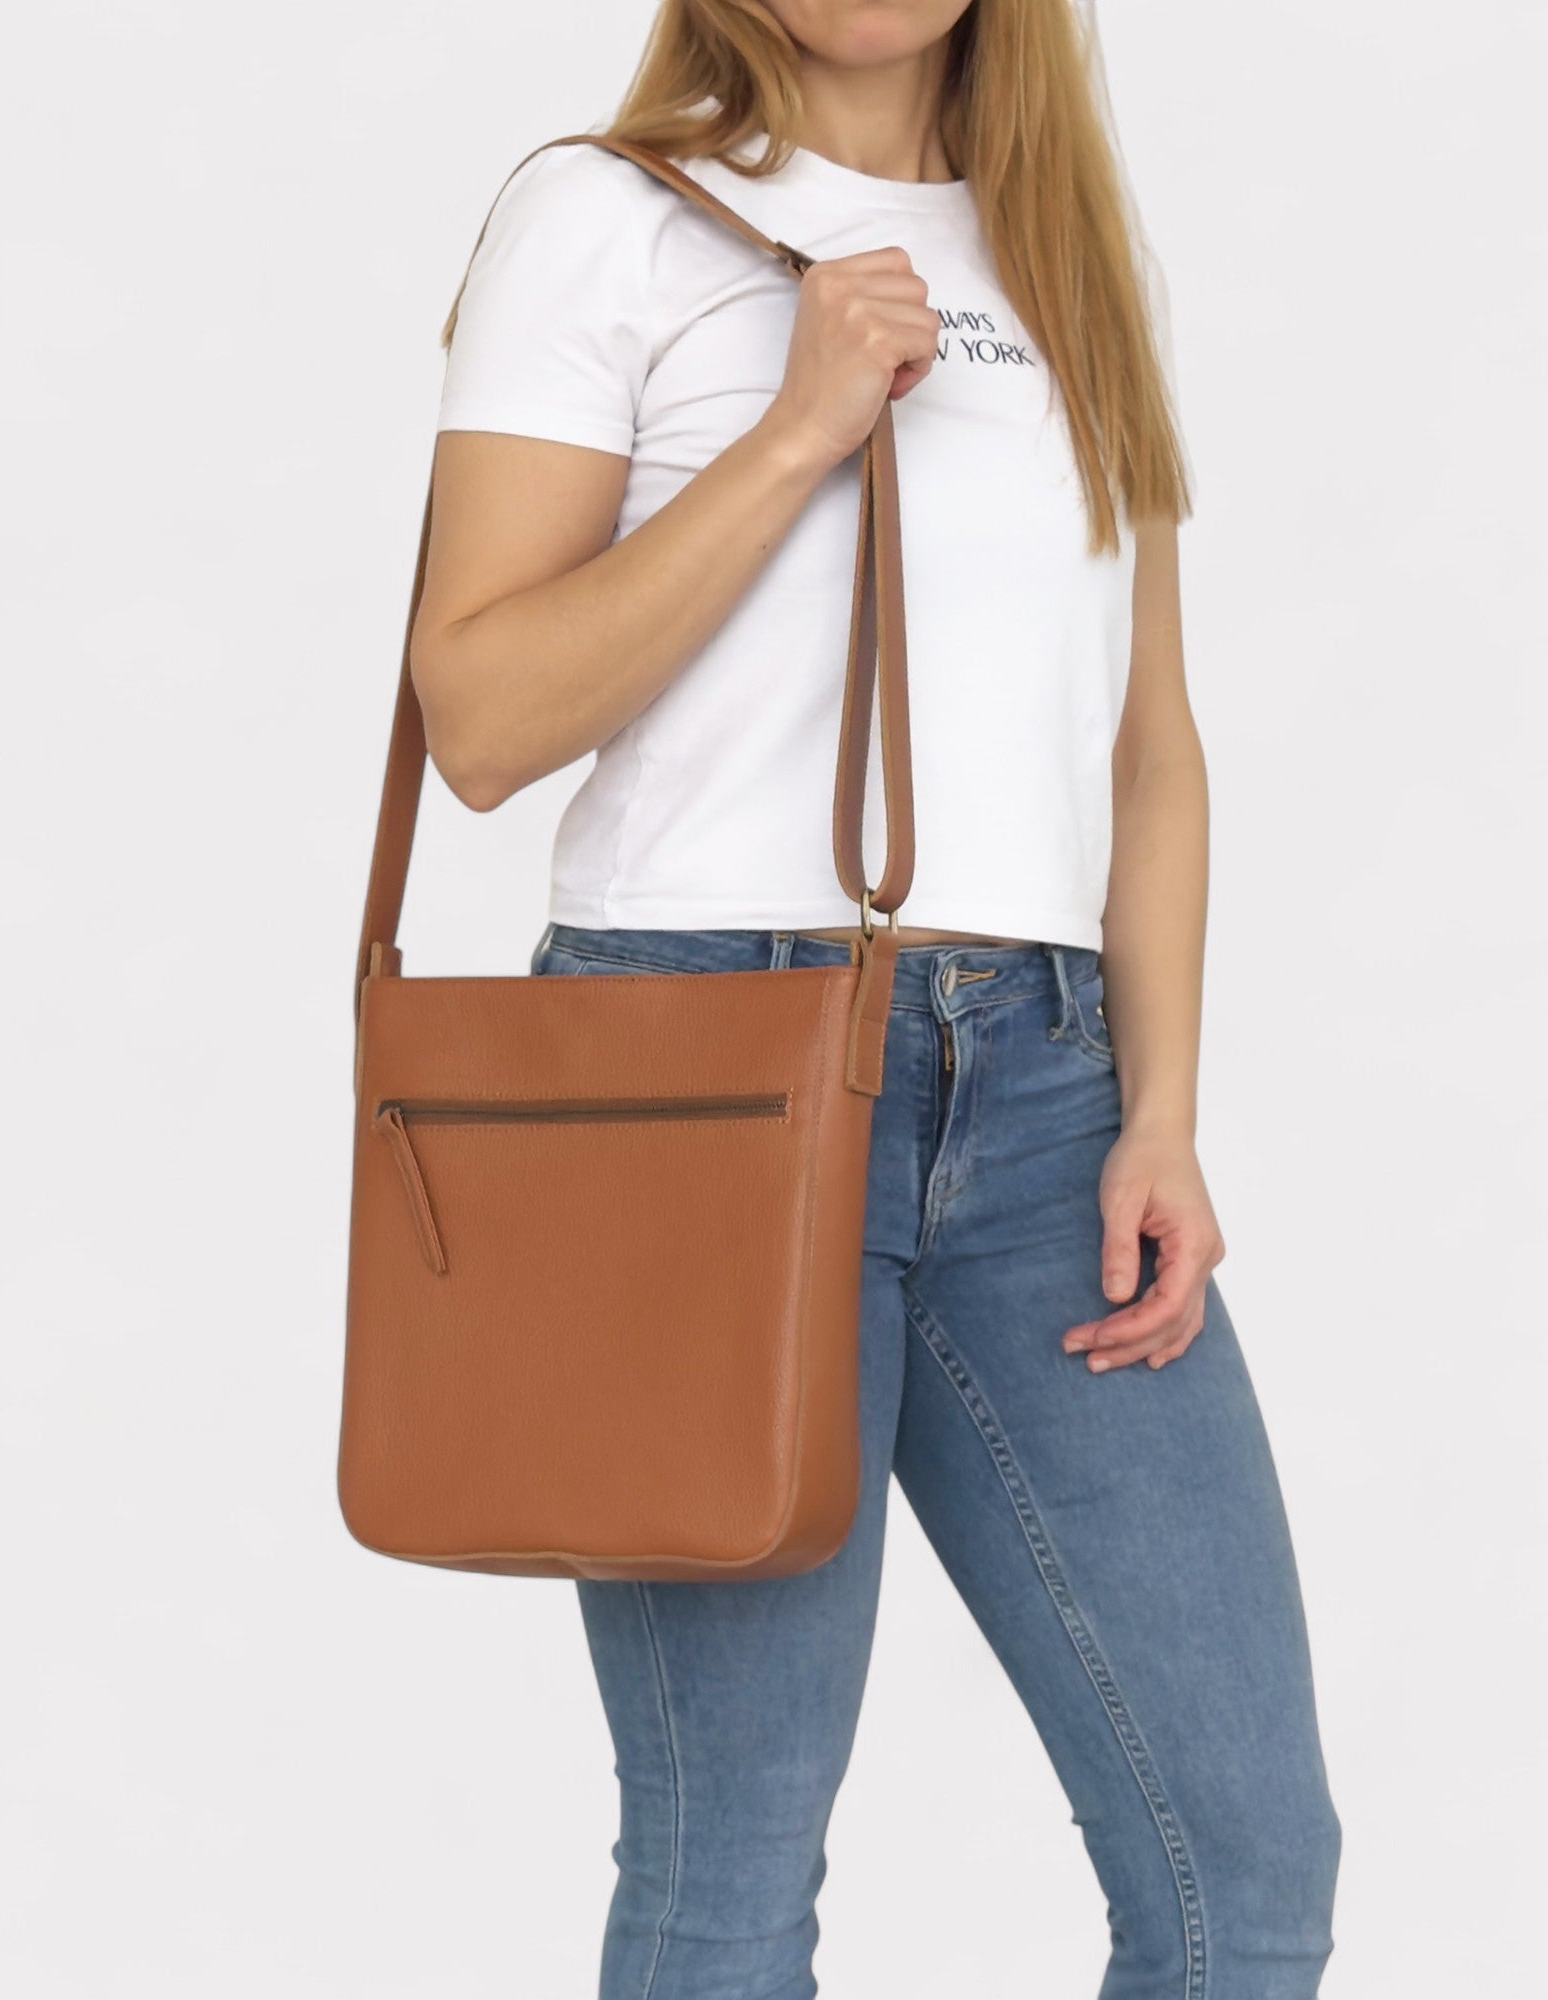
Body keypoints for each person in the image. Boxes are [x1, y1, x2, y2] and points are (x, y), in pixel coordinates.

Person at [407, 2, 1341, 1993]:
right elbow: (479, 720)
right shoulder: (608, 218)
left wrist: (1157, 1110)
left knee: (1244, 1861)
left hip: (1048, 1103)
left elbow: (1143, 742)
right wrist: (795, 431)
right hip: (693, 1086)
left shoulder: (1072, 245)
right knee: (731, 1853)